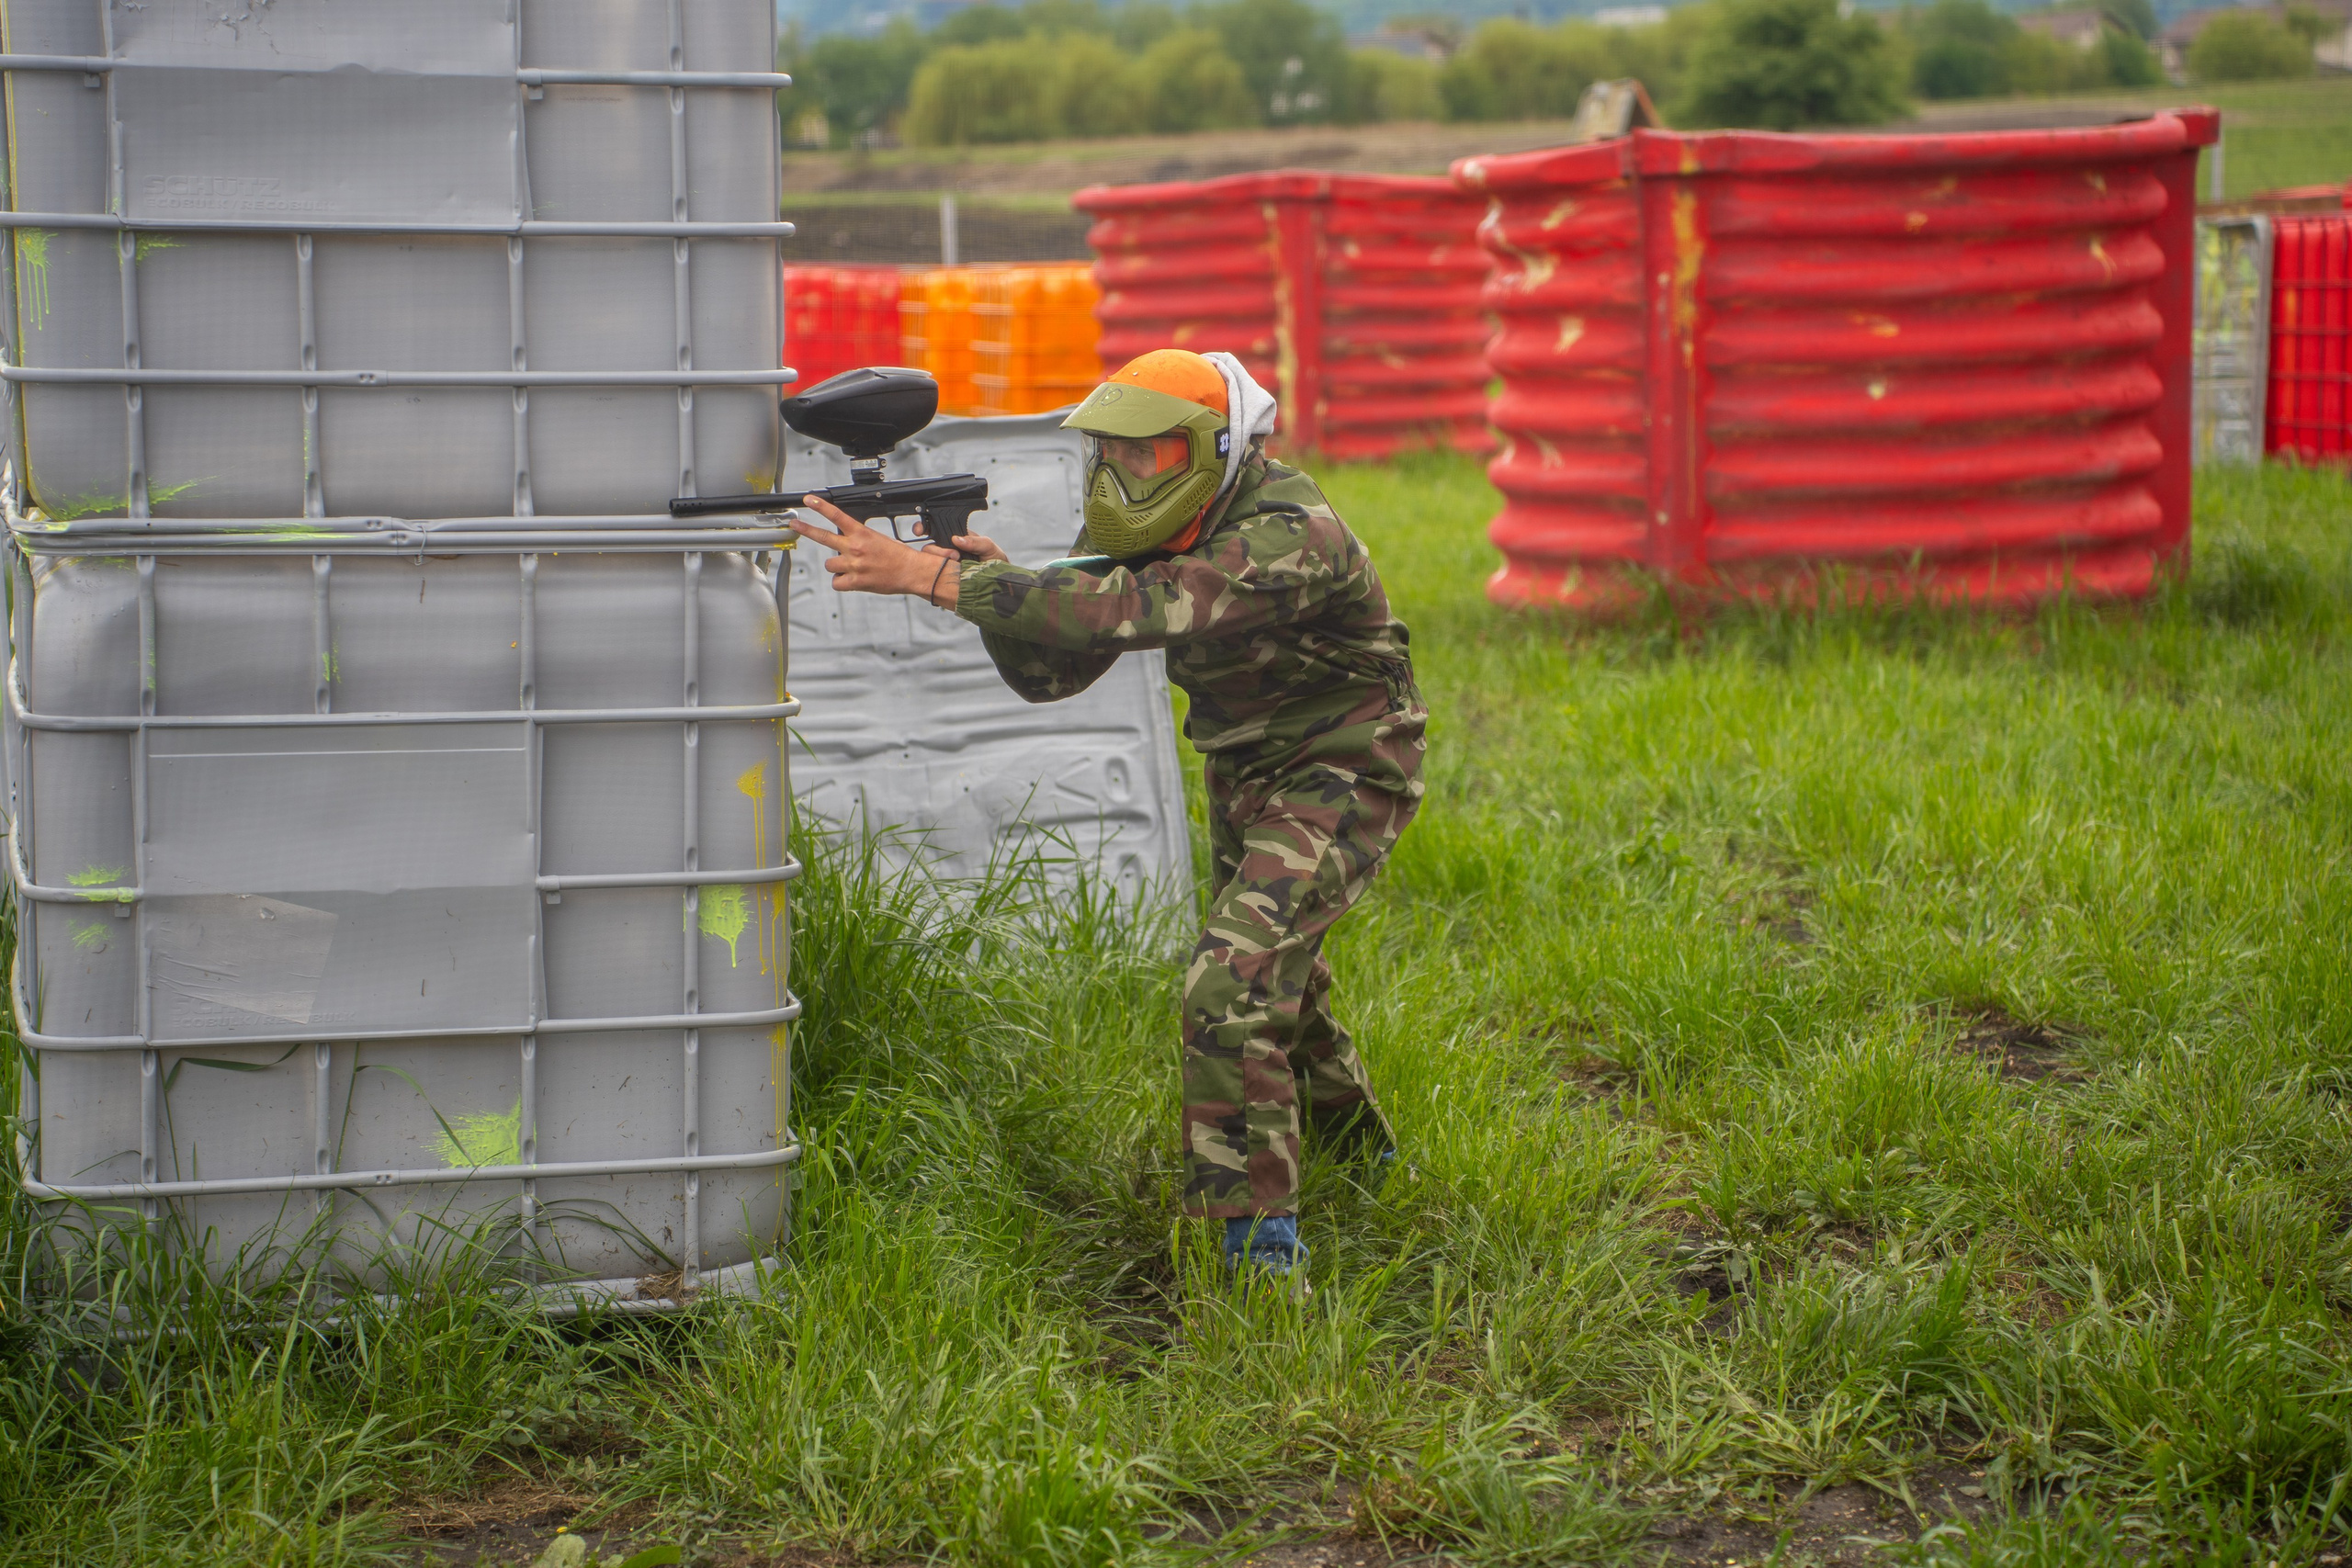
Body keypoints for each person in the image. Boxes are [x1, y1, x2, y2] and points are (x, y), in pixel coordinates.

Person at [786, 348, 1427, 1288]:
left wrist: (933, 579)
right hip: (1248, 769)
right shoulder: (1167, 530)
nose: (1127, 476)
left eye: (1153, 457)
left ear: (1215, 451)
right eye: (1113, 456)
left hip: (1345, 765)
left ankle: (1257, 1254)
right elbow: (1057, 668)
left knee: (1229, 982)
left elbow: (1148, 607)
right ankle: (1362, 1164)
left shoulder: (1292, 530)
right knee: (1278, 981)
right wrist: (996, 587)